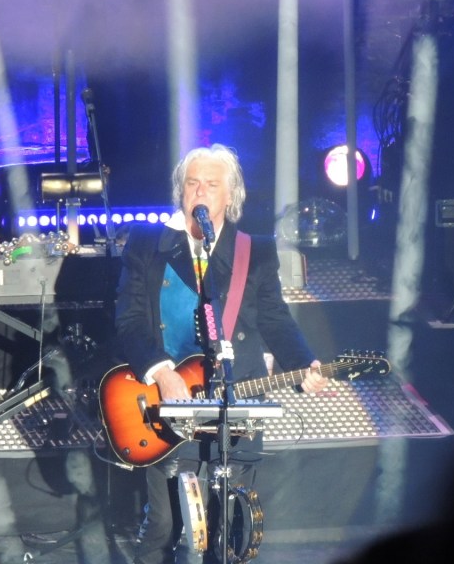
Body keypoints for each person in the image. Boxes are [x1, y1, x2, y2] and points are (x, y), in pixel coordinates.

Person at [113, 143, 328, 564]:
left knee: (228, 528)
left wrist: (303, 364)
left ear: (230, 196)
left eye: (212, 185)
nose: (200, 192)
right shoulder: (146, 243)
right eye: (192, 184)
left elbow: (275, 320)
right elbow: (129, 321)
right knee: (164, 524)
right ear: (180, 192)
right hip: (166, 403)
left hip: (236, 399)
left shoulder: (256, 250)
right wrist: (162, 372)